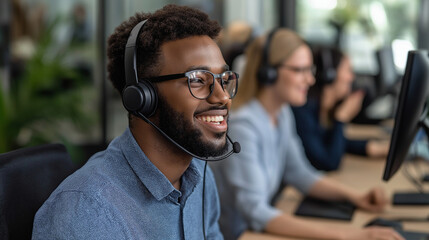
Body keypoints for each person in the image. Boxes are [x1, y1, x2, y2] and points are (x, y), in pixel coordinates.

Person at [32, 4, 239, 239]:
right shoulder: (87, 210)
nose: (222, 96)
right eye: (198, 80)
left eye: (223, 79)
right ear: (142, 98)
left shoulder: (198, 174)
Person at [210, 29, 404, 240]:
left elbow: (300, 174)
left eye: (309, 70)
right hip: (239, 235)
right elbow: (255, 211)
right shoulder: (243, 126)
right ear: (269, 72)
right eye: (300, 70)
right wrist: (349, 235)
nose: (310, 80)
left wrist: (356, 197)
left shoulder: (281, 113)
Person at [292, 46, 390, 171]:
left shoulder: (323, 109)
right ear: (329, 75)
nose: (352, 77)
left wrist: (374, 148)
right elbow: (328, 162)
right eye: (348, 70)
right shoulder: (303, 112)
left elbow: (332, 142)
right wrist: (341, 117)